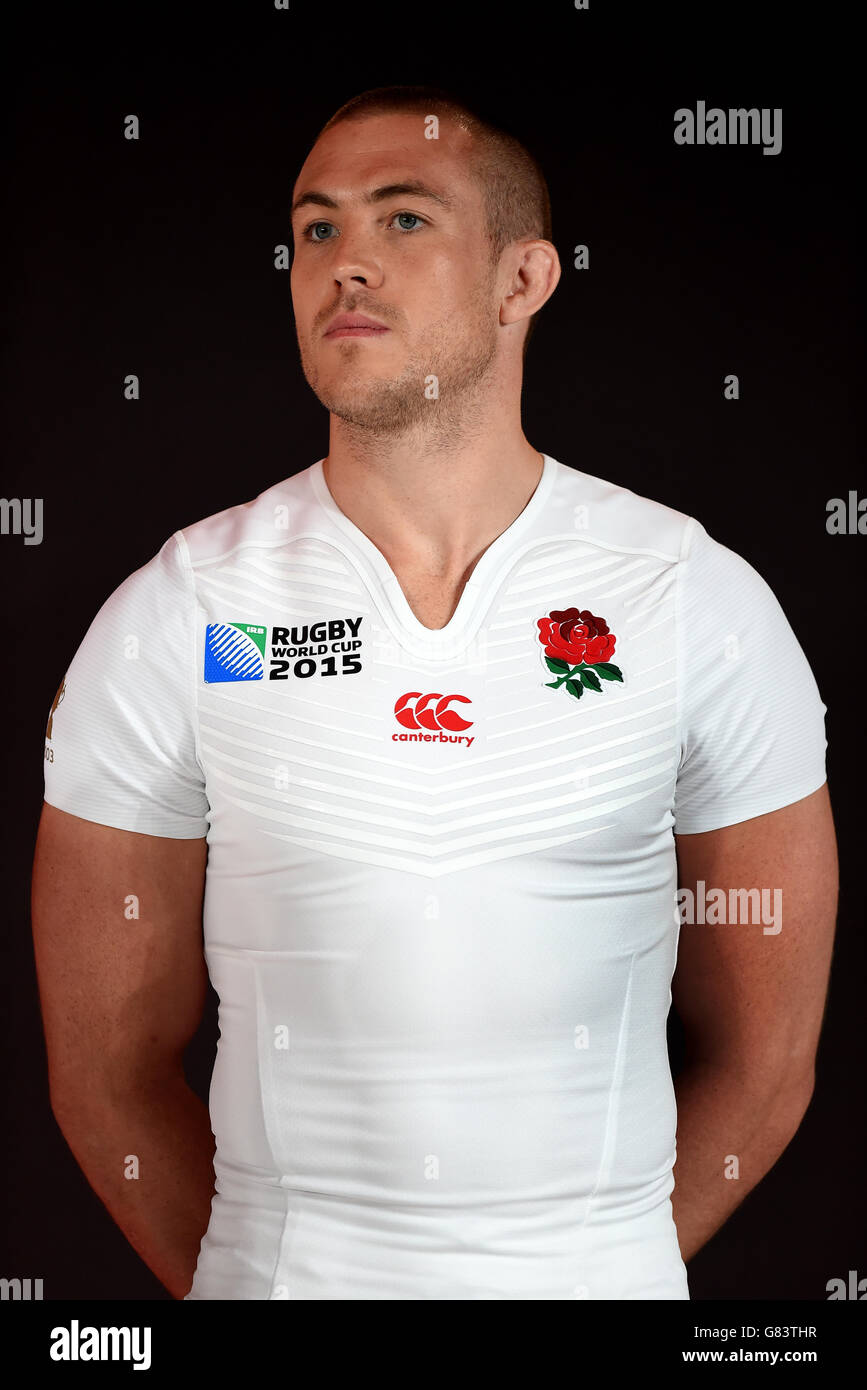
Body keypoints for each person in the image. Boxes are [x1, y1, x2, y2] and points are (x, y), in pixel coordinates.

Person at [32, 85, 837, 1301]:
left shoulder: (690, 601)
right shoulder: (193, 615)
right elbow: (102, 1073)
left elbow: (768, 1064)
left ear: (523, 282)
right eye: (316, 229)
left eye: (403, 221)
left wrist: (595, 1272)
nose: (345, 262)